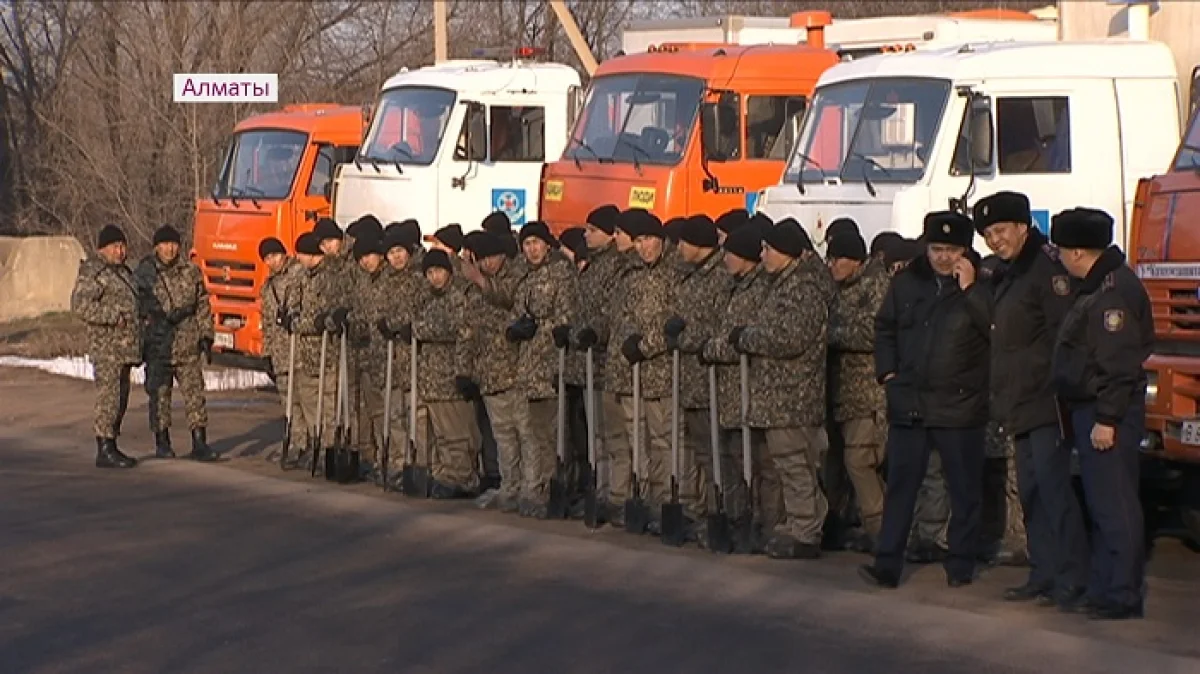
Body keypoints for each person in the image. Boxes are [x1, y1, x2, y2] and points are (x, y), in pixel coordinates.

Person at [860, 211, 991, 588]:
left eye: (951, 250)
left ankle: (961, 565)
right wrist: (887, 373)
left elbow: (994, 329)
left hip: (960, 404)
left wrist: (970, 290)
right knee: (901, 486)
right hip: (911, 401)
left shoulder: (983, 284)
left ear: (965, 251)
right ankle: (887, 564)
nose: (943, 257)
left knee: (964, 489)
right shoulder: (906, 282)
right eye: (936, 248)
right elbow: (884, 328)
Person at [974, 191, 1089, 607]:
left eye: (1000, 230)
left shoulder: (1046, 269)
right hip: (1019, 403)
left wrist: (1056, 386)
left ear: (1023, 226)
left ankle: (1072, 574)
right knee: (1031, 493)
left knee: (1055, 491)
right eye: (988, 234)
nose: (994, 240)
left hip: (1046, 401)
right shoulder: (1009, 272)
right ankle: (1043, 572)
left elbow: (1065, 333)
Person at [1050, 207, 1153, 620]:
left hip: (1107, 411)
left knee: (1115, 504)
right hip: (1090, 407)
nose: (1057, 257)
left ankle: (1122, 593)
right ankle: (1104, 585)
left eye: (1060, 250)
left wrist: (1107, 419)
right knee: (1100, 501)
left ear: (1077, 252)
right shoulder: (1097, 286)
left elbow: (1119, 363)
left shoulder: (1112, 292)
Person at [730, 219, 830, 558]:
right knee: (787, 466)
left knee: (797, 465)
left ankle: (806, 531)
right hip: (778, 395)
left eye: (769, 249)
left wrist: (746, 338)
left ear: (786, 253)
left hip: (793, 396)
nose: (763, 255)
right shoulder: (782, 286)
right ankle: (801, 522)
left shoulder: (803, 290)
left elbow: (790, 337)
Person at [610, 209, 683, 534]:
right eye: (638, 240)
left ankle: (667, 501)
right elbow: (622, 315)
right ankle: (647, 500)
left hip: (664, 372)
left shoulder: (675, 273)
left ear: (661, 240)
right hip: (634, 372)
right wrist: (629, 342)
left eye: (648, 239)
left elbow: (675, 319)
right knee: (638, 442)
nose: (643, 247)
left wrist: (648, 344)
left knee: (664, 442)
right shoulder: (631, 274)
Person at [664, 214, 731, 542]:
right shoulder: (692, 276)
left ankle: (718, 511)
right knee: (698, 451)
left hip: (710, 380)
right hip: (689, 379)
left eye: (684, 241)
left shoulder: (718, 277)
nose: (678, 247)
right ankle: (702, 508)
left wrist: (682, 338)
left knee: (714, 452)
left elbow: (713, 326)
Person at [702, 224, 768, 549]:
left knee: (750, 460)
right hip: (728, 387)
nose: (725, 258)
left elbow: (737, 339)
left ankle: (752, 520)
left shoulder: (756, 292)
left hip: (747, 387)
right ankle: (733, 514)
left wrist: (710, 348)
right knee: (728, 455)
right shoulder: (733, 287)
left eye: (730, 253)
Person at [508, 221, 580, 517]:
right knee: (535, 432)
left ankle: (556, 488)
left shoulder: (560, 273)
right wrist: (514, 329)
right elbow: (514, 311)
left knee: (555, 431)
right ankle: (538, 486)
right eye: (527, 244)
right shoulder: (523, 276)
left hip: (553, 361)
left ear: (547, 245)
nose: (532, 249)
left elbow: (567, 313)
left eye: (537, 243)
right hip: (529, 366)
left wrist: (553, 330)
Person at [826, 228, 890, 551]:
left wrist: (829, 334)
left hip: (870, 393)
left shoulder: (875, 285)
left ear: (856, 260)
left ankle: (882, 532)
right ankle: (876, 526)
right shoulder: (838, 289)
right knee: (850, 463)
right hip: (844, 394)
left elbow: (872, 333)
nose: (833, 265)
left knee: (860, 461)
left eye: (839, 259)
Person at [135, 224, 218, 462]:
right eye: (165, 244)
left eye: (173, 244)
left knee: (194, 394)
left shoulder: (191, 271)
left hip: (187, 341)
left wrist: (206, 335)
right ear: (156, 247)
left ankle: (199, 442)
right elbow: (136, 306)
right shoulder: (145, 273)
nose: (170, 249)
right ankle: (162, 441)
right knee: (159, 394)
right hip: (158, 344)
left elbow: (202, 303)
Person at [459, 230, 525, 512]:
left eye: (492, 258)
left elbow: (507, 297)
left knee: (524, 433)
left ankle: (526, 486)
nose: (488, 264)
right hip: (489, 372)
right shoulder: (473, 291)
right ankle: (510, 486)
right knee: (503, 434)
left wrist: (479, 279)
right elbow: (468, 330)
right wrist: (464, 370)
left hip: (515, 370)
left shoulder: (515, 277)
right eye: (482, 259)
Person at [575, 205, 632, 522]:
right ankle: (603, 489)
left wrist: (594, 332)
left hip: (608, 362)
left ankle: (619, 494)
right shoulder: (594, 266)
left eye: (593, 230)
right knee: (598, 434)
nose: (587, 235)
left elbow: (608, 313)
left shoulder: (614, 267)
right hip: (589, 362)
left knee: (615, 436)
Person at [409, 249, 480, 498]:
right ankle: (443, 474)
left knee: (455, 434)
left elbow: (461, 332)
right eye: (429, 273)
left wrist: (463, 372)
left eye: (438, 271)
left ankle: (462, 477)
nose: (434, 277)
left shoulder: (458, 298)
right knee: (438, 433)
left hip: (450, 377)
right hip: (430, 377)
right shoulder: (428, 299)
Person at [71, 224, 142, 468]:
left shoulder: (124, 273)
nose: (120, 251)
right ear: (103, 249)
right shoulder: (96, 273)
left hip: (124, 349)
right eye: (115, 246)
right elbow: (80, 306)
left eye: (122, 246)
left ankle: (112, 442)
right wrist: (114, 316)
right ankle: (105, 448)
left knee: (120, 398)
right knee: (109, 398)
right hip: (107, 349)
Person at [258, 236, 306, 462]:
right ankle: (297, 442)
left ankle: (309, 443)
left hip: (300, 351)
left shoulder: (298, 273)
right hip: (280, 354)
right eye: (267, 258)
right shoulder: (267, 287)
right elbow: (267, 323)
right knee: (289, 402)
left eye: (275, 255)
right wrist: (267, 353)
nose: (272, 261)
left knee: (305, 399)